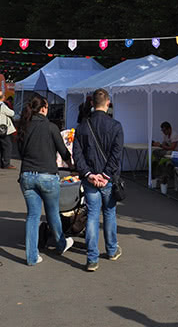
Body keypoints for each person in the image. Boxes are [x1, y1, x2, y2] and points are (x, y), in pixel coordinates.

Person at [16, 94, 75, 265]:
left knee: (32, 216)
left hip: (27, 175)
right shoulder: (51, 127)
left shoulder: (24, 127)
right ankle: (61, 243)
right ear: (43, 108)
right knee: (53, 213)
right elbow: (63, 151)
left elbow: (20, 152)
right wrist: (71, 163)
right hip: (48, 175)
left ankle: (32, 256)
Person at [73, 88, 124, 272]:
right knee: (109, 213)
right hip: (107, 178)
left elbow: (76, 154)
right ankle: (111, 250)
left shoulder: (82, 126)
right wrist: (106, 175)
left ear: (92, 104)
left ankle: (92, 258)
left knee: (93, 216)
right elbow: (116, 155)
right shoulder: (116, 126)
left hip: (90, 178)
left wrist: (88, 173)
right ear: (108, 103)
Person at [0, 90, 16, 169]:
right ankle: (6, 163)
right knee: (7, 146)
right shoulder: (2, 105)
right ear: (3, 97)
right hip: (3, 129)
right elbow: (12, 113)